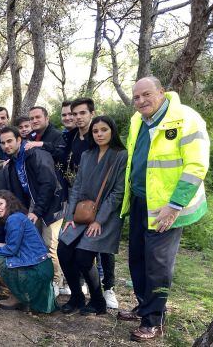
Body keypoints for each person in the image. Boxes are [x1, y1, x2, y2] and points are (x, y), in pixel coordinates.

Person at [117, 77, 210, 342]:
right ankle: (143, 306)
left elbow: (196, 166)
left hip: (168, 207)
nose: (141, 101)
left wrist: (174, 206)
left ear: (162, 92)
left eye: (147, 94)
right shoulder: (138, 120)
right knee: (137, 258)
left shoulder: (186, 118)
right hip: (139, 201)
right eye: (136, 97)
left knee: (157, 265)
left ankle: (154, 321)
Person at [58, 116, 127, 316]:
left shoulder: (121, 155)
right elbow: (77, 186)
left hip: (106, 216)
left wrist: (99, 220)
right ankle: (77, 297)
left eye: (103, 130)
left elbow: (118, 193)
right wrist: (70, 216)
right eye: (95, 131)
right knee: (64, 250)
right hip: (81, 213)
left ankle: (98, 301)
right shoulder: (88, 155)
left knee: (83, 256)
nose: (99, 134)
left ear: (112, 131)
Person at [0, 126, 64, 293]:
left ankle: (56, 283)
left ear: (19, 140)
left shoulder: (36, 154)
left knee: (50, 245)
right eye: (3, 143)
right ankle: (41, 282)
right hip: (32, 208)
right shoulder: (12, 164)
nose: (6, 145)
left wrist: (37, 211)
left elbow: (48, 184)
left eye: (10, 141)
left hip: (51, 207)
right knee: (35, 245)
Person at [0, 190, 57, 313]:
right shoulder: (17, 217)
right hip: (40, 264)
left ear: (9, 203)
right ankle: (20, 295)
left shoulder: (14, 219)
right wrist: (3, 245)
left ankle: (18, 295)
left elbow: (12, 249)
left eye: (0, 204)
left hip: (37, 268)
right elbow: (19, 244)